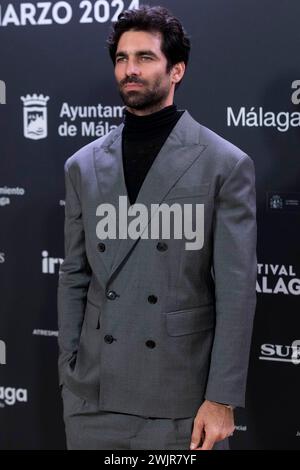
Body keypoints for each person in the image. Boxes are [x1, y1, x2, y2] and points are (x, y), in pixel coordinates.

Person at [57, 5, 257, 450]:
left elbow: (237, 289)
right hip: (93, 396)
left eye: (145, 57)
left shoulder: (224, 164)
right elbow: (74, 275)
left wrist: (221, 398)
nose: (130, 70)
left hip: (180, 401)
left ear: (177, 69)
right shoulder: (83, 166)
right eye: (122, 58)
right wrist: (68, 371)